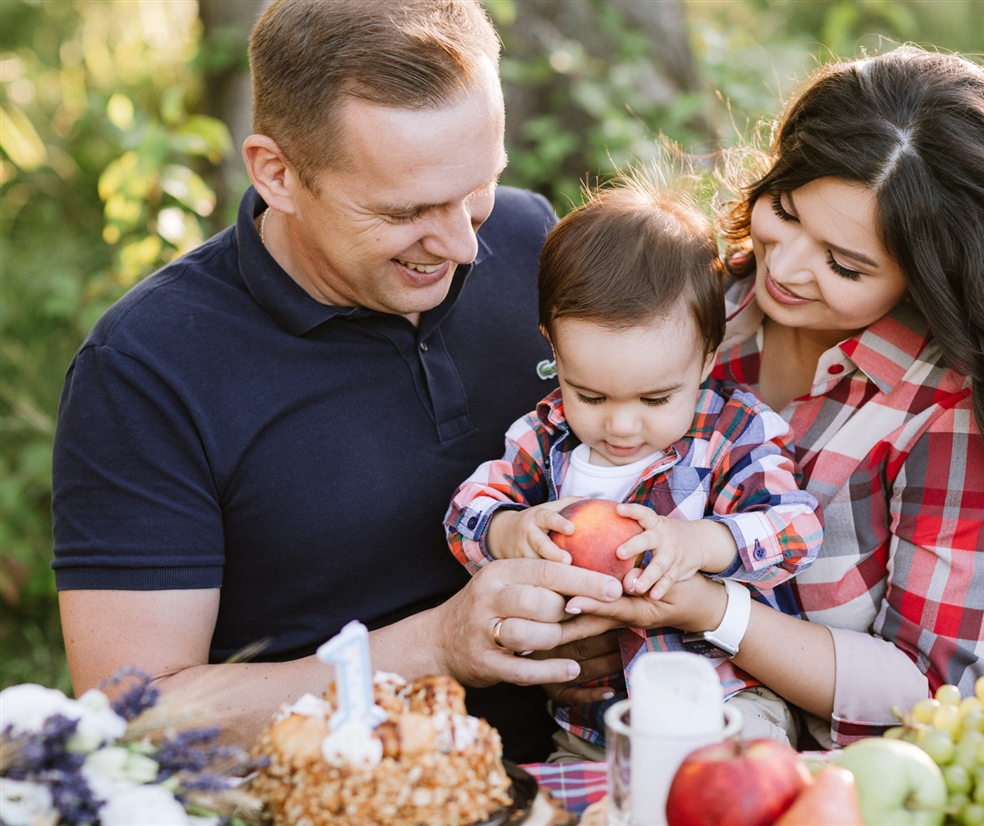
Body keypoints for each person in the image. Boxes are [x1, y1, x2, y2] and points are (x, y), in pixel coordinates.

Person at [50, 0, 623, 763]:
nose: (461, 244)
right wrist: (439, 646)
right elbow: (134, 714)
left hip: (561, 775)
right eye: (407, 210)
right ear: (278, 173)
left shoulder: (526, 237)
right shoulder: (147, 370)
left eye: (477, 186)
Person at [568, 45, 984, 746]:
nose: (788, 267)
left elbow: (926, 697)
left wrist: (704, 609)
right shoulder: (698, 318)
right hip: (737, 740)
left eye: (846, 263)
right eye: (788, 212)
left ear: (923, 273)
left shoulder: (954, 411)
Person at [444, 179, 824, 759]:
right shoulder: (544, 435)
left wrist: (700, 543)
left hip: (726, 706)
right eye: (591, 395)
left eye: (653, 400)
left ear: (706, 358)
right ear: (555, 352)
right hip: (593, 725)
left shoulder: (734, 432)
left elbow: (797, 528)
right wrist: (510, 529)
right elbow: (464, 514)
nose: (621, 426)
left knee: (731, 783)